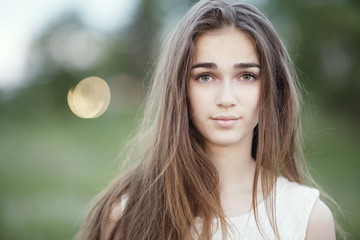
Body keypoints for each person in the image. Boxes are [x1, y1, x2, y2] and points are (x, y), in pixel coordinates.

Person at [77, 0, 343, 239]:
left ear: (272, 91)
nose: (226, 98)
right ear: (180, 89)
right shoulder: (128, 212)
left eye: (247, 76)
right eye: (205, 76)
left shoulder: (308, 218)